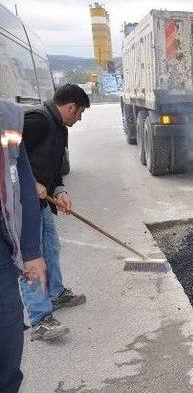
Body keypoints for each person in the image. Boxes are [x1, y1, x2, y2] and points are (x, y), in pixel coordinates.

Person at [19, 84, 90, 340]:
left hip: (42, 201)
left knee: (50, 246)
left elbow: (53, 162)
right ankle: (39, 319)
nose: (79, 118)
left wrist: (59, 190)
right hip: (22, 202)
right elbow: (8, 154)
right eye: (79, 113)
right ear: (71, 107)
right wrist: (30, 182)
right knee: (31, 257)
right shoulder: (37, 121)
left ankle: (56, 293)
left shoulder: (60, 127)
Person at [0, 100, 44, 392]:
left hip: (2, 249)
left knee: (8, 329)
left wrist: (30, 251)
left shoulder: (7, 119)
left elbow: (23, 178)